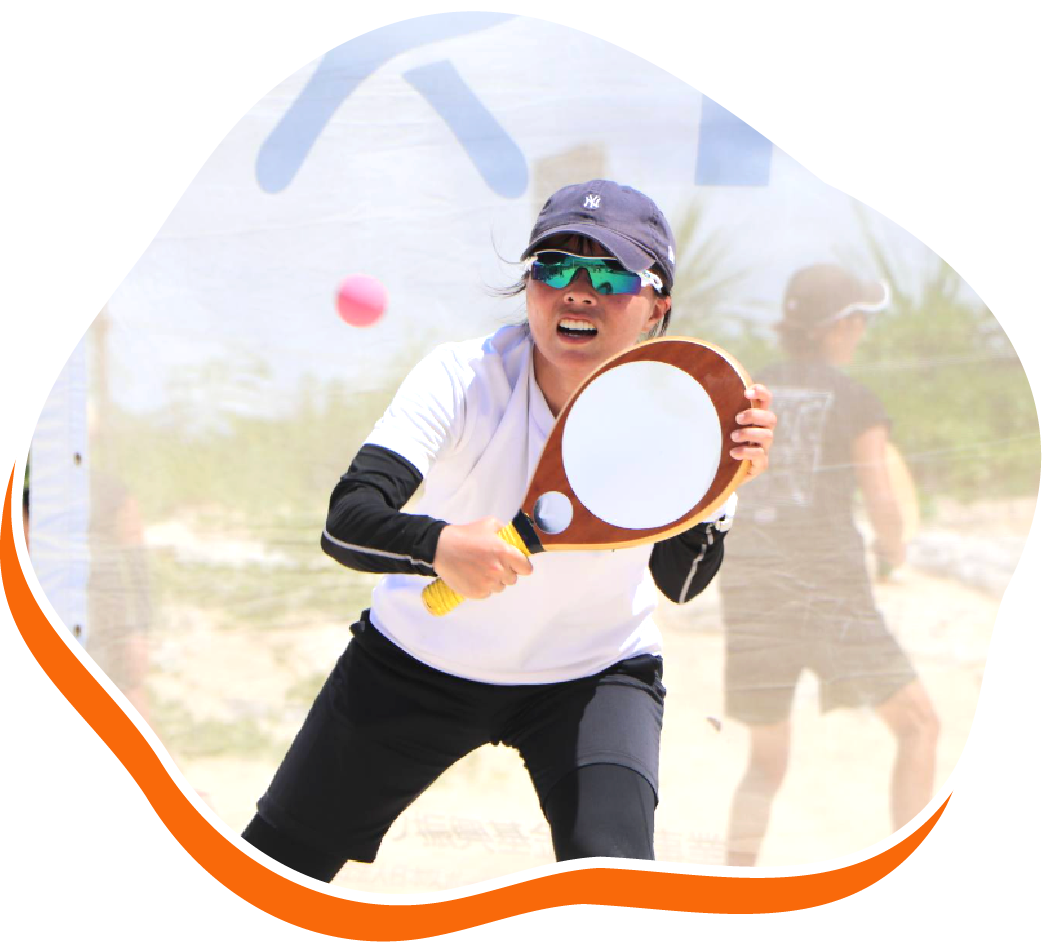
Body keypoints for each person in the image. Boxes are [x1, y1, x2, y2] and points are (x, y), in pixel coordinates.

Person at [242, 180, 777, 881]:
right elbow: (347, 521)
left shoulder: (688, 418)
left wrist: (721, 489)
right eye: (554, 266)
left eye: (611, 275)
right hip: (412, 665)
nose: (578, 292)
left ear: (657, 306)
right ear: (528, 284)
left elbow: (679, 584)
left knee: (615, 895)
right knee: (268, 878)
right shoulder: (461, 376)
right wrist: (439, 547)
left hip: (593, 677)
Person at [719, 263, 938, 867]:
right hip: (830, 591)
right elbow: (882, 497)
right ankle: (912, 878)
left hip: (753, 588)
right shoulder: (857, 401)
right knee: (919, 725)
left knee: (764, 763)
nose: (863, 331)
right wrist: (893, 550)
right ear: (839, 326)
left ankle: (733, 885)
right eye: (860, 320)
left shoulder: (749, 390)